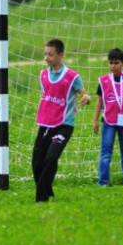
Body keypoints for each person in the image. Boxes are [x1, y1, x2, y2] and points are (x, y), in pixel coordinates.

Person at [32, 39, 92, 203]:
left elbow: (83, 93)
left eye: (50, 54)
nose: (47, 57)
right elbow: (46, 99)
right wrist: (40, 125)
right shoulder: (43, 75)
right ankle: (47, 188)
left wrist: (86, 97)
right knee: (37, 163)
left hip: (64, 125)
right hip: (45, 124)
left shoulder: (72, 76)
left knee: (51, 158)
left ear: (61, 55)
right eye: (45, 54)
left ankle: (41, 198)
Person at [92, 48, 123, 186]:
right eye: (111, 63)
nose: (113, 66)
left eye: (117, 62)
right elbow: (99, 101)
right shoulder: (103, 81)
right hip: (109, 121)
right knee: (106, 152)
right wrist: (95, 120)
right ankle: (103, 181)